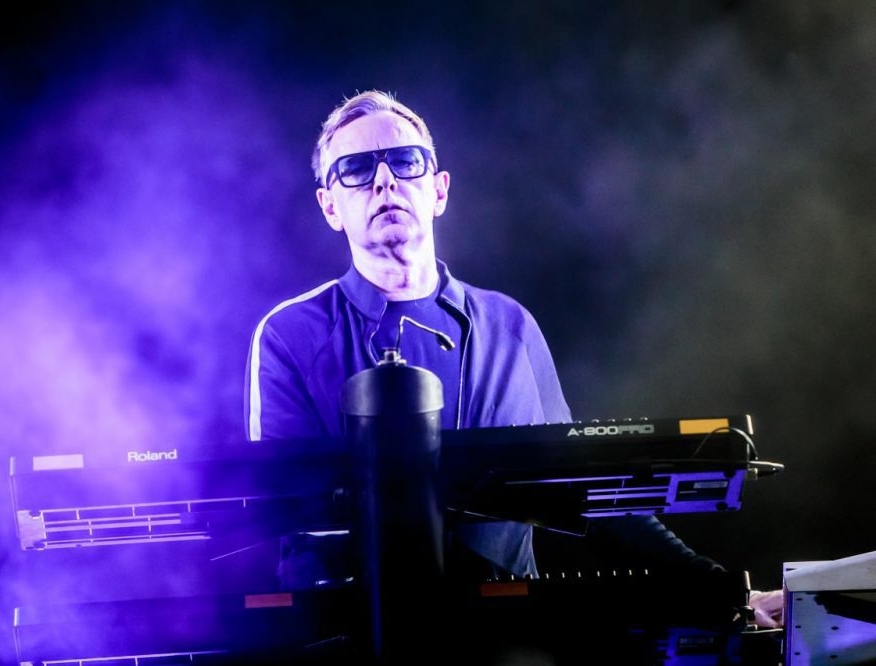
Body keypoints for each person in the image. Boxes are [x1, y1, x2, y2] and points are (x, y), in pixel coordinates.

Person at [243, 90, 782, 627]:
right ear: (329, 206)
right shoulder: (291, 335)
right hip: (352, 638)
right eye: (357, 169)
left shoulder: (510, 327)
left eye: (405, 161)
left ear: (438, 190)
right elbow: (289, 515)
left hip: (508, 637)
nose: (385, 181)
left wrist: (718, 589)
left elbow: (591, 492)